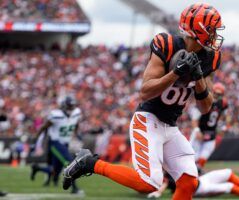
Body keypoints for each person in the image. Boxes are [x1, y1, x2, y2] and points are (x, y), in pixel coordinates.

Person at [62, 3, 224, 200]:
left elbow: (206, 107)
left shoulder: (209, 58)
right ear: (197, 29)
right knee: (147, 183)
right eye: (211, 29)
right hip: (147, 120)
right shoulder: (167, 44)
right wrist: (175, 73)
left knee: (189, 182)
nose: (215, 35)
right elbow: (145, 92)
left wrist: (198, 77)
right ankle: (90, 163)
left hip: (170, 126)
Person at [30, 96, 83, 194]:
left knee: (55, 171)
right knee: (71, 163)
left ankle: (36, 168)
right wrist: (36, 138)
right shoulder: (56, 115)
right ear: (64, 105)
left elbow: (76, 123)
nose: (71, 108)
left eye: (73, 106)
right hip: (55, 144)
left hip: (65, 143)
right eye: (69, 106)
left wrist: (76, 133)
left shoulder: (76, 113)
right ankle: (74, 188)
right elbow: (43, 127)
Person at [147, 169, 239, 198]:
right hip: (198, 189)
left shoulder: (174, 162)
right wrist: (156, 194)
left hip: (201, 179)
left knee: (227, 172)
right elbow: (164, 185)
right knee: (228, 187)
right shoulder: (167, 176)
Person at [189, 82, 228, 169]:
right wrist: (196, 131)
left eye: (219, 94)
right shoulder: (204, 101)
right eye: (216, 93)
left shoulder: (223, 104)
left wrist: (222, 126)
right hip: (200, 132)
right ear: (212, 92)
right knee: (192, 158)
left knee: (203, 158)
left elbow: (223, 116)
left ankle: (198, 174)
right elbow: (194, 119)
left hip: (211, 134)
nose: (217, 95)